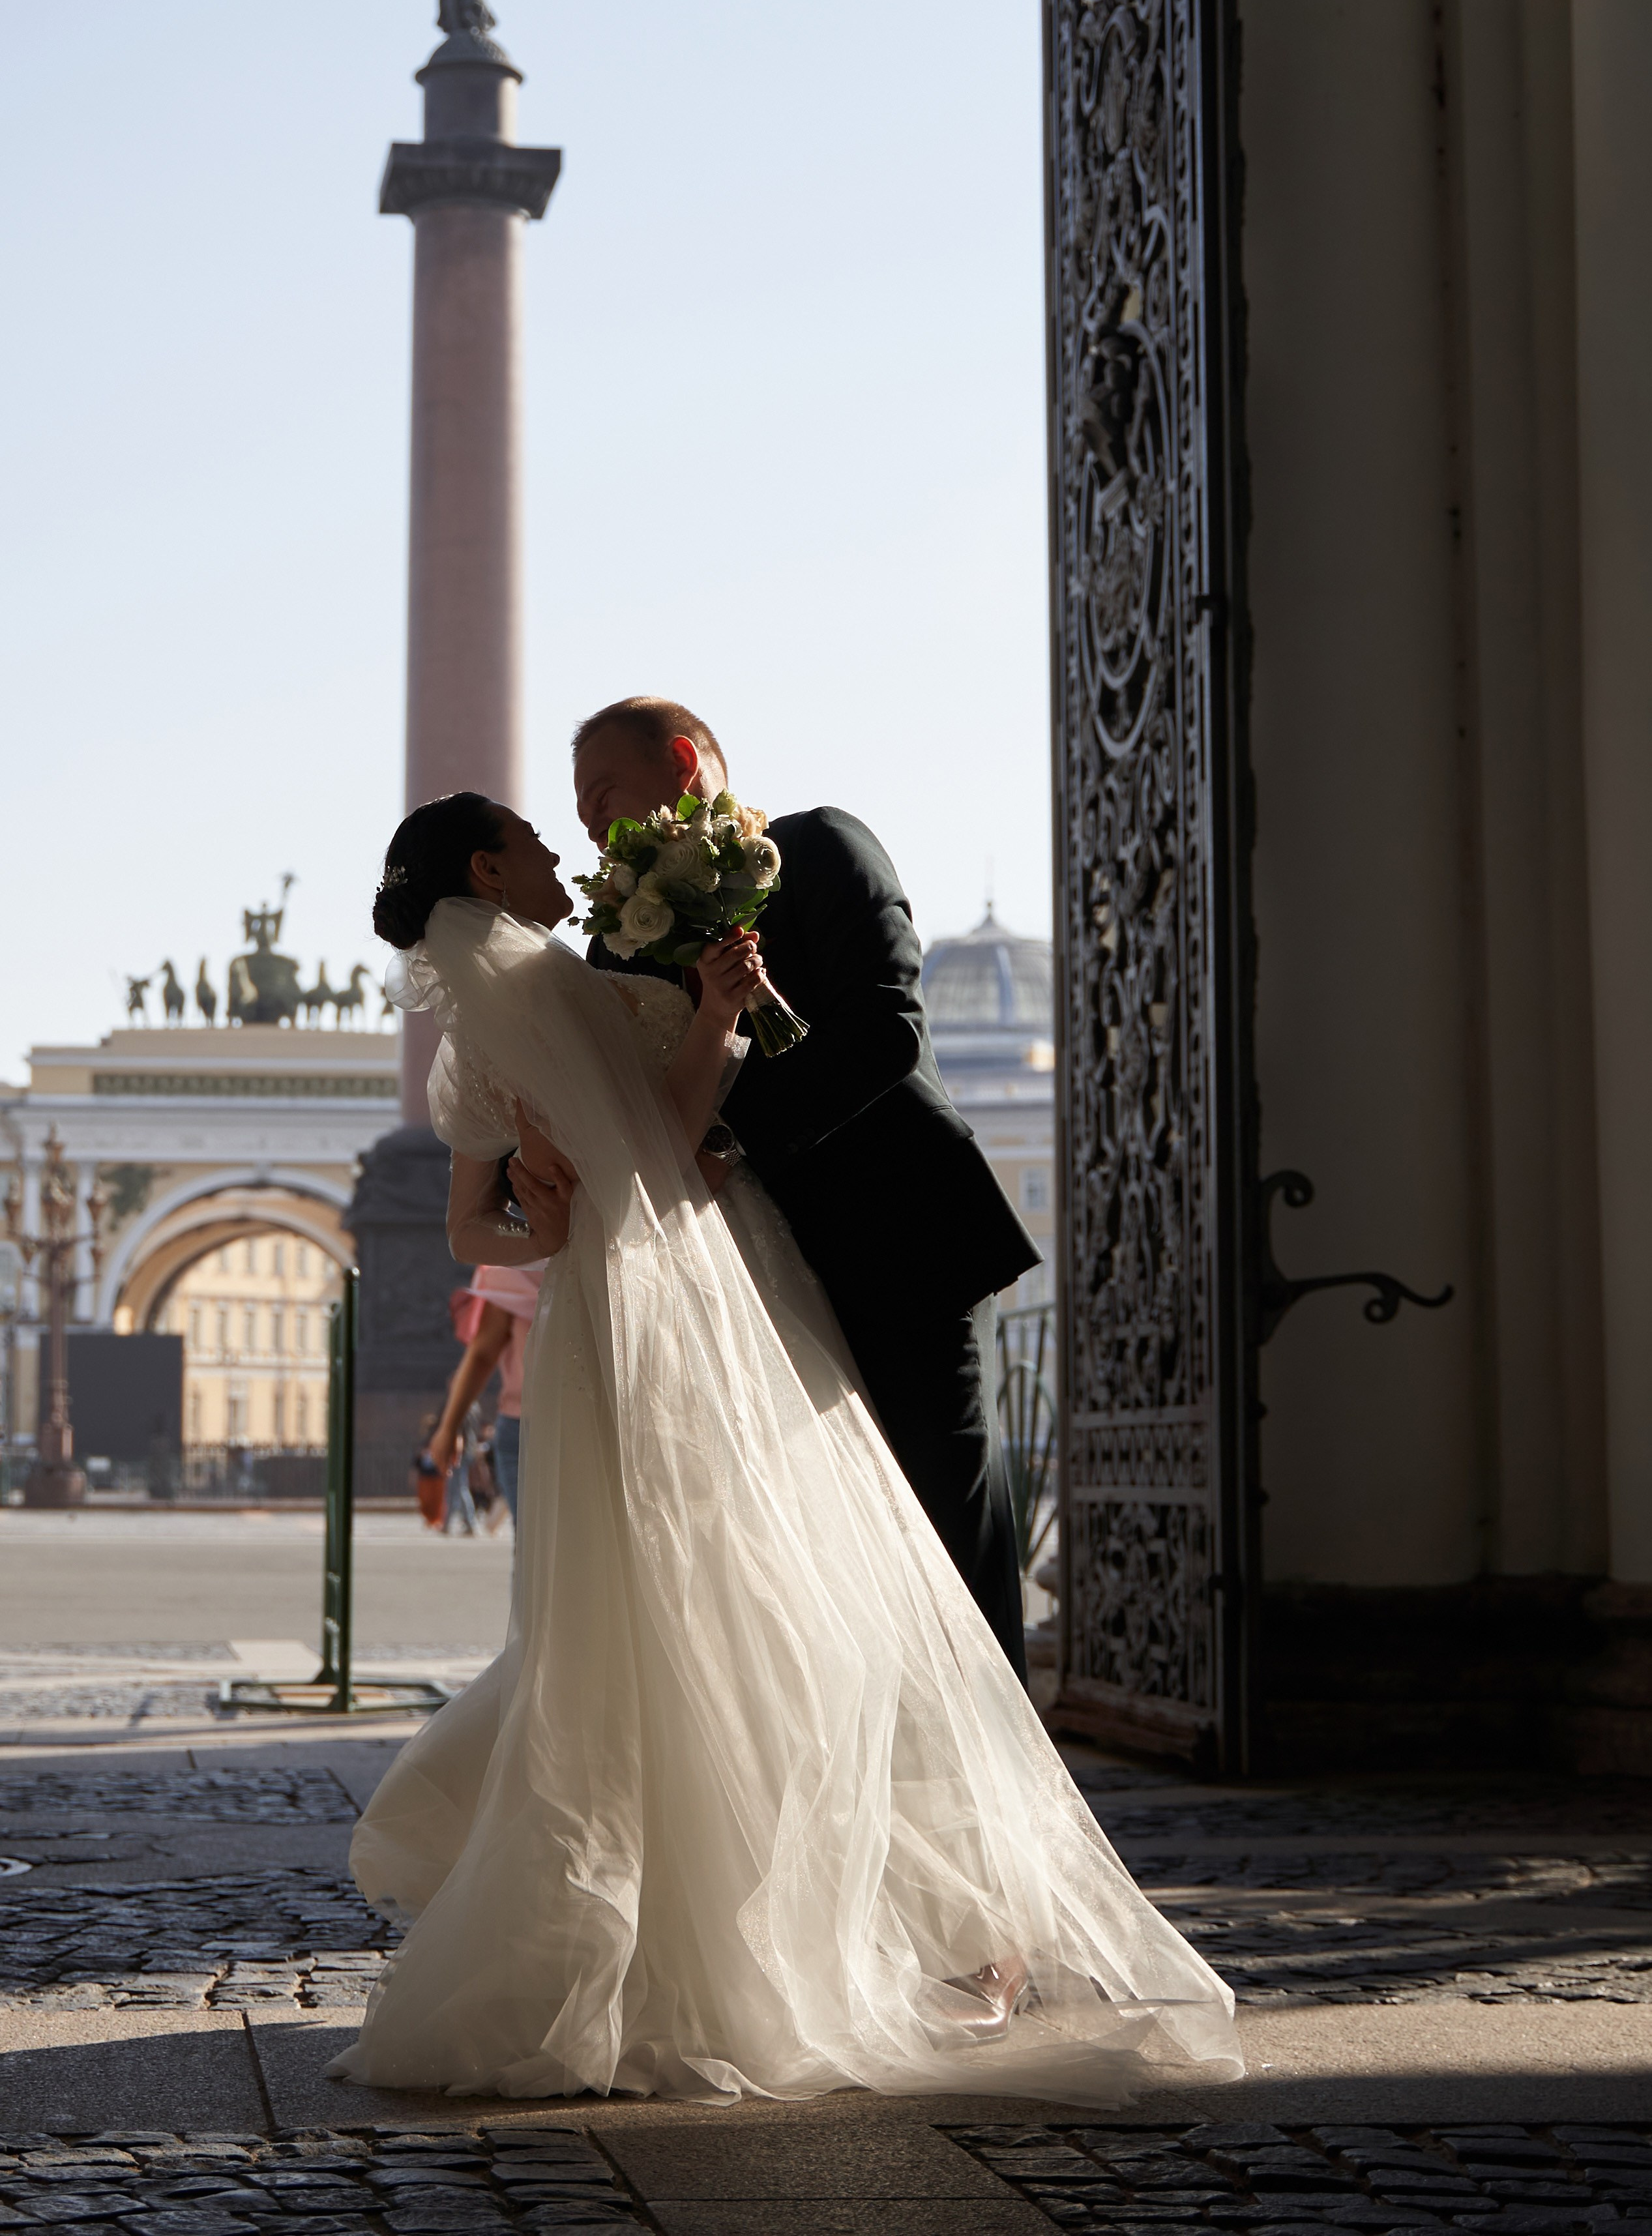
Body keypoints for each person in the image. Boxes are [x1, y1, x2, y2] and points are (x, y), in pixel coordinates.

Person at [328, 790, 1239, 2107]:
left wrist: (555, 1206)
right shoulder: (571, 992)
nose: (563, 857)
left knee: (639, 1604)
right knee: (761, 1587)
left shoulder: (469, 1034)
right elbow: (674, 1145)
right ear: (488, 865)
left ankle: (649, 1932)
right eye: (536, 840)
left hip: (611, 1311)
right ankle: (760, 1925)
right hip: (693, 1297)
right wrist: (703, 1026)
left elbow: (480, 1232)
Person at [567, 696, 1040, 1681]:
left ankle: (997, 1778)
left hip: (902, 1239)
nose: (586, 821)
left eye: (602, 791)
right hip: (742, 1279)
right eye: (577, 804)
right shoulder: (615, 940)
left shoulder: (818, 849)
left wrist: (736, 1138)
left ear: (685, 763)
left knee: (942, 1509)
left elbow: (886, 1032)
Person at [426, 1261, 548, 1531]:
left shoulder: (613, 1257)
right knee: (533, 1549)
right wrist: (448, 1428)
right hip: (524, 1428)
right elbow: (481, 1354)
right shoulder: (514, 1272)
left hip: (591, 1429)